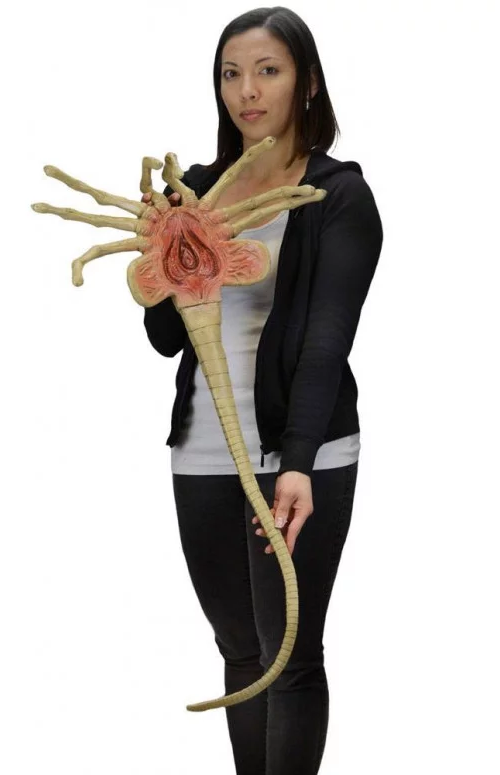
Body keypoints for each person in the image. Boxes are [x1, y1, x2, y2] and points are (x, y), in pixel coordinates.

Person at [142, 7, 383, 775]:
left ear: (306, 83)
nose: (247, 90)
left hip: (302, 456)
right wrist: (164, 256)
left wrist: (298, 460)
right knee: (242, 651)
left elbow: (326, 340)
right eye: (231, 73)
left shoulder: (337, 195)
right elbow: (165, 337)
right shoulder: (197, 192)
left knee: (290, 656)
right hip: (203, 454)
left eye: (268, 71)